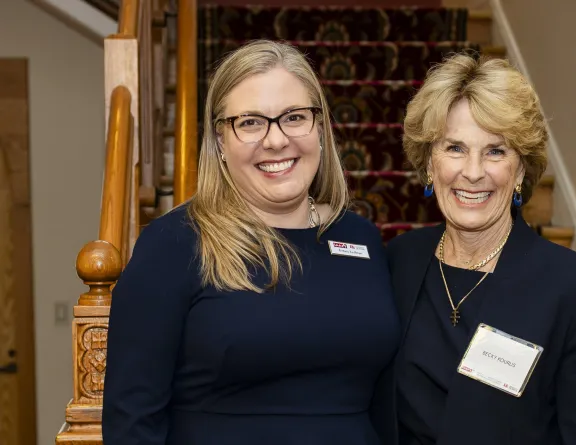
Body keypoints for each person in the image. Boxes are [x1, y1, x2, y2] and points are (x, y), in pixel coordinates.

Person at [102, 40, 400, 445]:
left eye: (294, 117)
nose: (276, 140)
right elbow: (131, 419)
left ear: (321, 128)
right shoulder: (173, 244)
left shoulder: (360, 238)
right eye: (251, 122)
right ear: (221, 141)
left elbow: (385, 404)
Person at [388, 53, 576, 445]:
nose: (474, 171)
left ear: (519, 170)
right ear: (429, 163)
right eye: (455, 148)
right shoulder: (399, 260)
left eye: (495, 151)